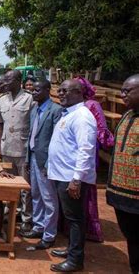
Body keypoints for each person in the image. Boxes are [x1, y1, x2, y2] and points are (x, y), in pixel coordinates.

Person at [48, 79, 97, 272]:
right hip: (62, 175)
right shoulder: (70, 113)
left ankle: (76, 259)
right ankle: (71, 249)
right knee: (70, 217)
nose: (60, 93)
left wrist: (77, 179)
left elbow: (86, 150)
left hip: (72, 178)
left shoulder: (83, 116)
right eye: (59, 90)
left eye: (65, 91)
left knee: (76, 219)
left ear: (78, 92)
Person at [21, 80, 62, 251]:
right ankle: (38, 227)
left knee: (49, 199)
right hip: (34, 159)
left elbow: (56, 140)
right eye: (33, 90)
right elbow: (33, 137)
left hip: (46, 162)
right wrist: (29, 159)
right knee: (36, 195)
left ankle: (49, 234)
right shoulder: (34, 110)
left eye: (38, 90)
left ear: (47, 90)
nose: (34, 92)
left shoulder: (55, 111)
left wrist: (48, 163)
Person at [73, 76, 113, 242]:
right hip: (72, 153)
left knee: (86, 190)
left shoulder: (92, 105)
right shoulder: (73, 105)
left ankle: (89, 229)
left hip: (87, 151)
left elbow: (102, 130)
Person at [106, 74, 139, 273]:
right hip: (121, 195)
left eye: (128, 91)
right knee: (132, 237)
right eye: (123, 90)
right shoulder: (127, 116)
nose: (122, 94)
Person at [0, 69, 34, 232]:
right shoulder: (2, 100)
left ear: (18, 81)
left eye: (9, 80)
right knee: (8, 183)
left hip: (23, 148)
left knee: (25, 186)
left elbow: (34, 126)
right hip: (6, 148)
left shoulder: (30, 99)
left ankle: (26, 218)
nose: (5, 82)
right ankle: (9, 212)